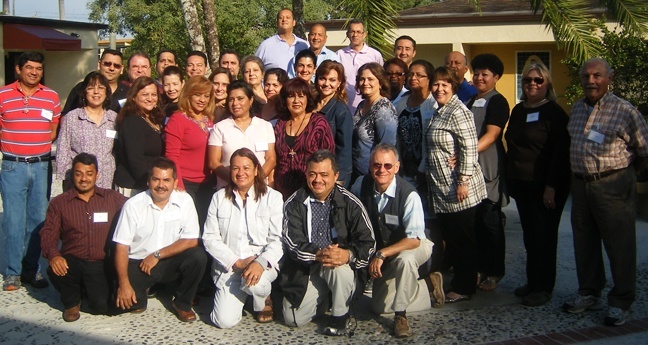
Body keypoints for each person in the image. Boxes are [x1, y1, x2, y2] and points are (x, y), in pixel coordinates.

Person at [563, 58, 648, 326]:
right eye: (586, 76)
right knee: (584, 243)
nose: (591, 81)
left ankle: (621, 300)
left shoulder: (625, 111)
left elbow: (645, 150)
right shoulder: (577, 108)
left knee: (619, 246)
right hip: (581, 184)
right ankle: (589, 292)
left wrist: (627, 177)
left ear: (609, 78)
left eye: (597, 76)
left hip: (613, 184)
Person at [281, 150, 375, 335]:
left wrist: (348, 254)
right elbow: (292, 243)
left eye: (324, 175)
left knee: (337, 267)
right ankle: (328, 297)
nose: (318, 180)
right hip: (308, 267)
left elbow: (368, 243)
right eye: (313, 174)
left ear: (336, 176)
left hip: (340, 266)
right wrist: (318, 253)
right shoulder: (294, 203)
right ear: (306, 174)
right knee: (293, 319)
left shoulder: (351, 203)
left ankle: (340, 317)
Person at [350, 144, 435, 338]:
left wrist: (382, 254)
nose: (382, 170)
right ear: (370, 166)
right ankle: (427, 286)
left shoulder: (409, 194)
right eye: (376, 165)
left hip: (416, 244)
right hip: (387, 249)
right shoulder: (360, 185)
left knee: (405, 260)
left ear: (397, 167)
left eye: (388, 166)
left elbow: (414, 239)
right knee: (378, 307)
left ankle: (401, 315)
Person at [505, 63, 570, 307]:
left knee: (544, 237)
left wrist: (551, 186)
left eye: (538, 80)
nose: (532, 84)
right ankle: (533, 282)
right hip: (523, 185)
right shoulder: (519, 110)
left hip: (546, 187)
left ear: (547, 85)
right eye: (528, 80)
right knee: (531, 237)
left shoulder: (554, 113)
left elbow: (559, 154)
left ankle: (544, 288)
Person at [112, 158, 207, 321]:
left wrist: (157, 255)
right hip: (140, 262)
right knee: (124, 304)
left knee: (198, 256)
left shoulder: (185, 201)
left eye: (166, 180)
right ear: (148, 182)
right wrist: (124, 284)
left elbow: (191, 240)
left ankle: (182, 303)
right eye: (156, 179)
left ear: (175, 182)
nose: (161, 185)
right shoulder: (133, 205)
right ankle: (143, 293)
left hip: (168, 259)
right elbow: (121, 247)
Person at [41, 153, 128, 321]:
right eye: (78, 173)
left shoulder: (111, 198)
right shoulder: (59, 203)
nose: (84, 179)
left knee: (101, 306)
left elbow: (136, 207)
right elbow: (48, 233)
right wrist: (53, 255)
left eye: (89, 173)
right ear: (72, 174)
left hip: (99, 263)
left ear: (97, 175)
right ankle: (71, 302)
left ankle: (85, 291)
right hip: (72, 261)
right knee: (59, 267)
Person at [425, 67, 486, 303]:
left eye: (444, 85)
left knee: (462, 239)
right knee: (454, 238)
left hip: (459, 189)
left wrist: (463, 181)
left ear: (453, 87)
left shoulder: (458, 111)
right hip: (442, 188)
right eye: (436, 84)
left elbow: (470, 149)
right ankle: (464, 279)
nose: (439, 89)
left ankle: (465, 287)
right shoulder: (439, 111)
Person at [203, 148, 283, 328]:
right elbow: (209, 237)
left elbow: (277, 239)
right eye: (235, 168)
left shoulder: (273, 198)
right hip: (231, 267)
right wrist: (235, 261)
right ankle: (245, 296)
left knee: (256, 285)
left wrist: (260, 263)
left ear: (256, 170)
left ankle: (263, 299)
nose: (241, 173)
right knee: (223, 321)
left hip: (260, 265)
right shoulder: (219, 198)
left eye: (246, 168)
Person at [0, 52, 60, 291]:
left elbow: (53, 129)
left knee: (38, 220)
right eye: (29, 68)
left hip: (41, 165)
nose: (34, 72)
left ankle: (31, 269)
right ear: (18, 69)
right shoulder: (3, 95)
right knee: (13, 220)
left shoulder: (51, 97)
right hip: (13, 165)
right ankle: (13, 272)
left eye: (38, 68)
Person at [466, 53, 510, 291]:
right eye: (477, 73)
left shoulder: (498, 101)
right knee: (474, 225)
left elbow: (492, 135)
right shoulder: (471, 100)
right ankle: (478, 269)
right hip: (469, 171)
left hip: (488, 169)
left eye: (485, 74)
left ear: (496, 77)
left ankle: (494, 272)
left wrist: (468, 153)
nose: (479, 78)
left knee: (490, 221)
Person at [165, 76, 216, 225]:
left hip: (207, 184)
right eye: (197, 94)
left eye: (206, 96)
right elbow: (171, 155)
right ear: (188, 95)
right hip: (186, 184)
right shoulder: (178, 119)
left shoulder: (208, 119)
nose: (202, 100)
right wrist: (179, 186)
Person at [273, 78, 335, 199]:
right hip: (282, 190)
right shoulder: (280, 124)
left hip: (310, 189)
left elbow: (329, 156)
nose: (296, 101)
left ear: (307, 99)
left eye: (301, 96)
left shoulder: (318, 123)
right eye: (291, 96)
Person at [208, 80, 276, 189]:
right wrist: (236, 181)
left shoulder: (265, 126)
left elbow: (271, 159)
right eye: (231, 99)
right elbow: (213, 162)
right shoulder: (219, 128)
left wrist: (255, 181)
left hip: (259, 189)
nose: (235, 103)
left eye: (240, 99)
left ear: (251, 100)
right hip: (228, 189)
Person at [56, 72, 118, 190]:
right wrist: (66, 180)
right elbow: (62, 150)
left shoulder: (114, 118)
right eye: (91, 88)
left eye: (101, 88)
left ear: (106, 92)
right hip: (79, 181)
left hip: (106, 181)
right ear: (84, 92)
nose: (96, 92)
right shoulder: (72, 117)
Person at [395, 60, 437, 210]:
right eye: (411, 74)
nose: (414, 78)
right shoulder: (400, 104)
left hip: (428, 169)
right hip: (405, 167)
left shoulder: (434, 104)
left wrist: (423, 168)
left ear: (429, 79)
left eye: (419, 75)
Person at [113, 77, 165, 196]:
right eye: (145, 94)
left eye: (154, 94)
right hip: (135, 186)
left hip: (149, 183)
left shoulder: (154, 118)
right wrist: (151, 184)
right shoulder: (132, 121)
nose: (150, 99)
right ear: (134, 97)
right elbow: (135, 160)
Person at [351, 63, 397, 183]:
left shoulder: (384, 109)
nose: (365, 83)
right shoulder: (362, 105)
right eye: (362, 79)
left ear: (380, 82)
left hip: (374, 176)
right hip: (357, 175)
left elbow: (387, 147)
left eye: (370, 79)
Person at [314, 60, 353, 187]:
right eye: (322, 79)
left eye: (332, 80)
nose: (326, 84)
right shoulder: (310, 105)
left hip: (332, 175)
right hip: (313, 170)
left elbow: (345, 150)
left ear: (339, 83)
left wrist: (339, 178)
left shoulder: (341, 111)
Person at [337, 19, 384, 112]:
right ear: (347, 34)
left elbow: (381, 80)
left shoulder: (375, 55)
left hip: (369, 107)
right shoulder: (339, 55)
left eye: (358, 32)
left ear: (364, 34)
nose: (355, 35)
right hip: (344, 107)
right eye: (352, 32)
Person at [62, 49, 129, 114]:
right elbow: (66, 116)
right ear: (99, 65)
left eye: (116, 66)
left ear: (122, 69)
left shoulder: (129, 93)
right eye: (107, 64)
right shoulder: (81, 88)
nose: (111, 68)